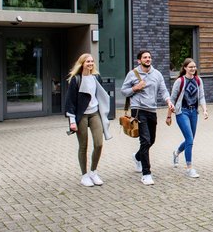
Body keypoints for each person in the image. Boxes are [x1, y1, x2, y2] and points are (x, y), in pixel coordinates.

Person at [121, 50, 174, 185]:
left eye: (149, 57)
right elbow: (123, 91)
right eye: (145, 57)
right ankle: (146, 174)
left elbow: (163, 90)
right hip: (138, 110)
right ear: (139, 60)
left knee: (152, 140)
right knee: (145, 141)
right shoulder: (132, 74)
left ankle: (137, 156)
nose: (148, 59)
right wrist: (135, 88)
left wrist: (169, 101)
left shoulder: (157, 74)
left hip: (152, 110)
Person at [64, 53, 112, 187]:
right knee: (83, 146)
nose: (90, 64)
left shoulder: (96, 77)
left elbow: (100, 95)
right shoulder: (76, 79)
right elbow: (70, 101)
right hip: (81, 115)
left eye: (91, 61)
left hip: (94, 113)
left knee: (99, 144)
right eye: (87, 62)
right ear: (82, 64)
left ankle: (93, 172)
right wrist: (72, 121)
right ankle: (84, 175)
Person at [167, 58, 209, 178]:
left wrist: (205, 110)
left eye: (194, 67)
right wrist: (169, 116)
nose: (193, 69)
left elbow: (201, 97)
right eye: (190, 67)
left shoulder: (198, 80)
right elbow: (172, 100)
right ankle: (189, 168)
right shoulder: (180, 81)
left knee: (189, 140)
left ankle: (176, 153)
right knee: (190, 139)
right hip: (182, 112)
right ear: (185, 68)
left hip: (194, 112)